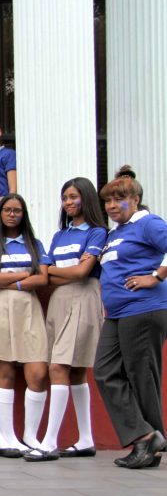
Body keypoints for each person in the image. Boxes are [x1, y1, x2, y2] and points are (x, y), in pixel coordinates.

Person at [30, 178, 107, 461]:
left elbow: (82, 273)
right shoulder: (59, 235)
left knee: (59, 367)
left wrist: (56, 271)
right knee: (74, 371)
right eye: (65, 198)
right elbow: (47, 274)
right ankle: (85, 439)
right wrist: (65, 272)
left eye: (73, 196)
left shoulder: (97, 232)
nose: (68, 202)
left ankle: (49, 441)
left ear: (86, 198)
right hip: (59, 302)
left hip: (84, 298)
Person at [94, 176, 167, 469]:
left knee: (141, 376)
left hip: (143, 309)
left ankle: (147, 445)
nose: (112, 206)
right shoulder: (117, 232)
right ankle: (148, 436)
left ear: (135, 200)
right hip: (117, 313)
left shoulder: (148, 223)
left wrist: (156, 276)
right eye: (108, 201)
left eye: (119, 200)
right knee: (104, 371)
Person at [0, 193, 51, 458]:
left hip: (29, 309)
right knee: (5, 374)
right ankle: (7, 438)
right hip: (0, 310)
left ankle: (31, 435)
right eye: (7, 210)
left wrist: (8, 280)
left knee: (38, 373)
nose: (11, 214)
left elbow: (42, 279)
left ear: (23, 214)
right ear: (0, 214)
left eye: (17, 210)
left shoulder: (34, 243)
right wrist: (24, 274)